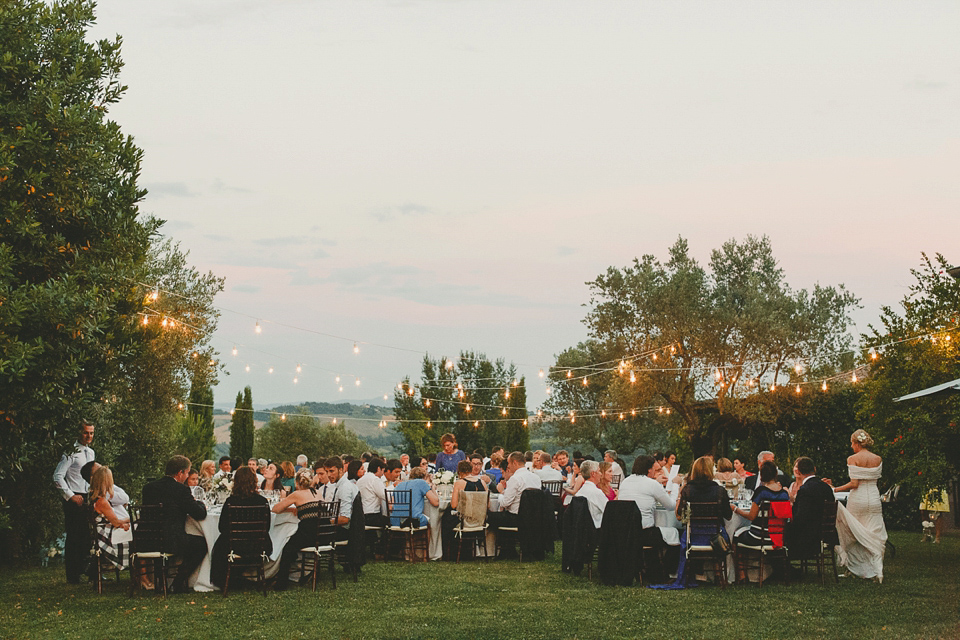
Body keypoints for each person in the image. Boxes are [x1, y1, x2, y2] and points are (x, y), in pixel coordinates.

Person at [652, 456, 731, 590]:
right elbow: (728, 516)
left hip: (692, 536)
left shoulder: (688, 490)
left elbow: (680, 517)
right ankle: (725, 576)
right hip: (715, 537)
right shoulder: (719, 491)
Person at [141, 455, 208, 593]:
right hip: (171, 541)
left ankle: (162, 579)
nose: (187, 476)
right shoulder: (181, 490)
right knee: (201, 544)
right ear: (180, 473)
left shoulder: (148, 488)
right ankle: (179, 581)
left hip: (147, 540)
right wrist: (199, 503)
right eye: (187, 472)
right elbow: (200, 514)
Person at [829, 429, 887, 582]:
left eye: (851, 443)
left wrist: (835, 488)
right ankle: (877, 572)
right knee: (874, 532)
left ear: (856, 443)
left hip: (858, 499)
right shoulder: (877, 459)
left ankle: (852, 567)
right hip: (874, 498)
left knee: (851, 530)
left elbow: (854, 484)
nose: (851, 446)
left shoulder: (853, 458)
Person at [617, 455, 677, 582]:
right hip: (644, 533)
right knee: (674, 532)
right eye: (654, 469)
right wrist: (675, 487)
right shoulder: (652, 484)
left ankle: (646, 567)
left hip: (625, 531)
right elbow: (671, 506)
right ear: (649, 470)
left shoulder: (625, 482)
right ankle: (669, 572)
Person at [210, 467, 272, 589]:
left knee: (220, 545)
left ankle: (231, 580)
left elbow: (222, 527)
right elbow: (267, 527)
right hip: (258, 545)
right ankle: (243, 580)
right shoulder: (262, 501)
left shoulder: (230, 501)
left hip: (235, 545)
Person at [52, 421, 97, 584]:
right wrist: (70, 495)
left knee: (88, 536)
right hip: (73, 498)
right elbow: (57, 476)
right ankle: (73, 575)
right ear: (80, 432)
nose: (89, 436)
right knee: (74, 536)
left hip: (87, 497)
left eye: (91, 433)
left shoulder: (91, 453)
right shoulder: (71, 452)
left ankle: (90, 571)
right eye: (86, 432)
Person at [273, 469, 322, 590]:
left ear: (296, 483)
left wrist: (290, 508)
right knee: (293, 544)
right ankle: (304, 572)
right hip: (323, 534)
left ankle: (281, 584)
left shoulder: (296, 494)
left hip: (308, 535)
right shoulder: (318, 493)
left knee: (287, 548)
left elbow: (276, 509)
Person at [784, 456, 835, 562]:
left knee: (779, 531)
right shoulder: (826, 487)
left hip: (808, 535)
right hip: (825, 532)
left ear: (798, 471)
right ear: (814, 469)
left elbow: (801, 517)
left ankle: (782, 566)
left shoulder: (805, 489)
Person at [732, 460, 789, 548]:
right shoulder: (784, 494)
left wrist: (736, 509)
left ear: (761, 475)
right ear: (776, 474)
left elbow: (751, 516)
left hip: (759, 536)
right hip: (778, 536)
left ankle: (740, 562)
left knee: (735, 534)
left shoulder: (761, 492)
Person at [89, 466, 131, 570]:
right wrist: (129, 519)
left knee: (131, 531)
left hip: (103, 531)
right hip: (106, 536)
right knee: (136, 535)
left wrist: (122, 524)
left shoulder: (92, 498)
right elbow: (116, 522)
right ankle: (140, 571)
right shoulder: (102, 501)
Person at [488, 452, 542, 531]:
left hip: (516, 518)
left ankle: (493, 543)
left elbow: (505, 503)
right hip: (534, 518)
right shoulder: (536, 477)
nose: (508, 466)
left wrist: (501, 493)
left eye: (509, 463)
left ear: (515, 463)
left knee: (488, 517)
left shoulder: (515, 478)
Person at [323, 457, 359, 533]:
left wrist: (327, 522)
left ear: (341, 470)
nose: (329, 475)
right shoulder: (343, 485)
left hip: (344, 531)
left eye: (332, 471)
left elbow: (345, 519)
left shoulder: (344, 488)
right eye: (327, 471)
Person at [576, 460, 609, 529]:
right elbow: (609, 511)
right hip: (597, 530)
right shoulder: (596, 493)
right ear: (593, 474)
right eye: (599, 471)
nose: (601, 474)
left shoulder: (579, 492)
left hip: (582, 530)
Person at [357, 458, 389, 527]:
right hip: (372, 515)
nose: (382, 474)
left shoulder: (360, 480)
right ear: (378, 469)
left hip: (361, 515)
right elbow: (385, 495)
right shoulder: (375, 479)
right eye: (382, 471)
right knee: (390, 522)